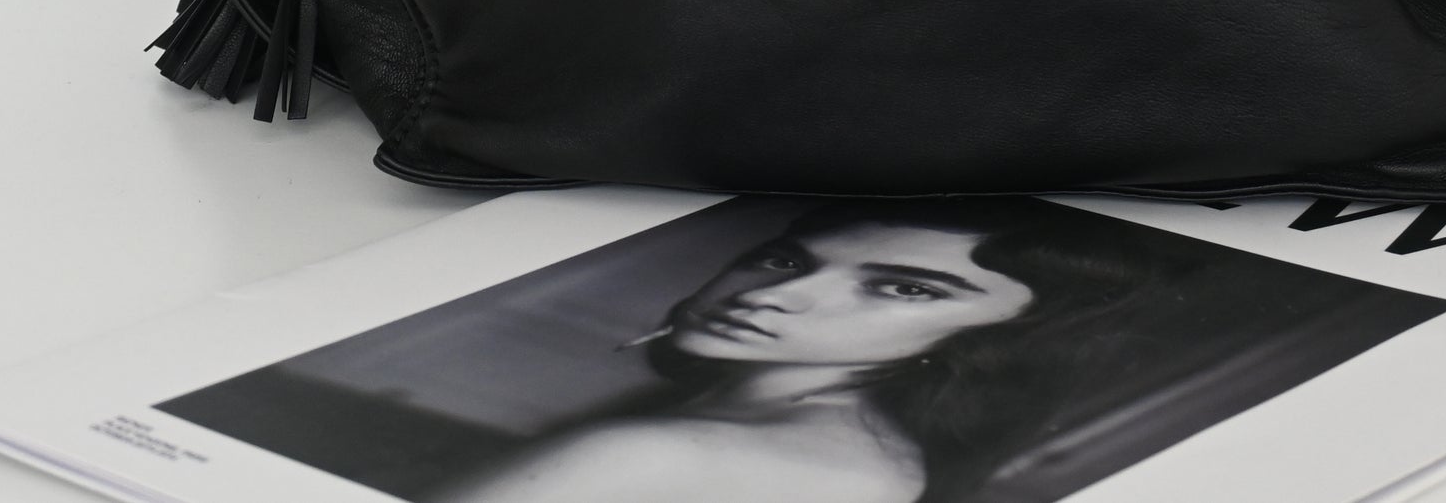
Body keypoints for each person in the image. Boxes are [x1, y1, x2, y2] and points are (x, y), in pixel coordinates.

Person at [442, 197, 1150, 503]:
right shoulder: (877, 452)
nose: (776, 295)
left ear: (1004, 333)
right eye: (785, 260)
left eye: (906, 289)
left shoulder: (651, 452)